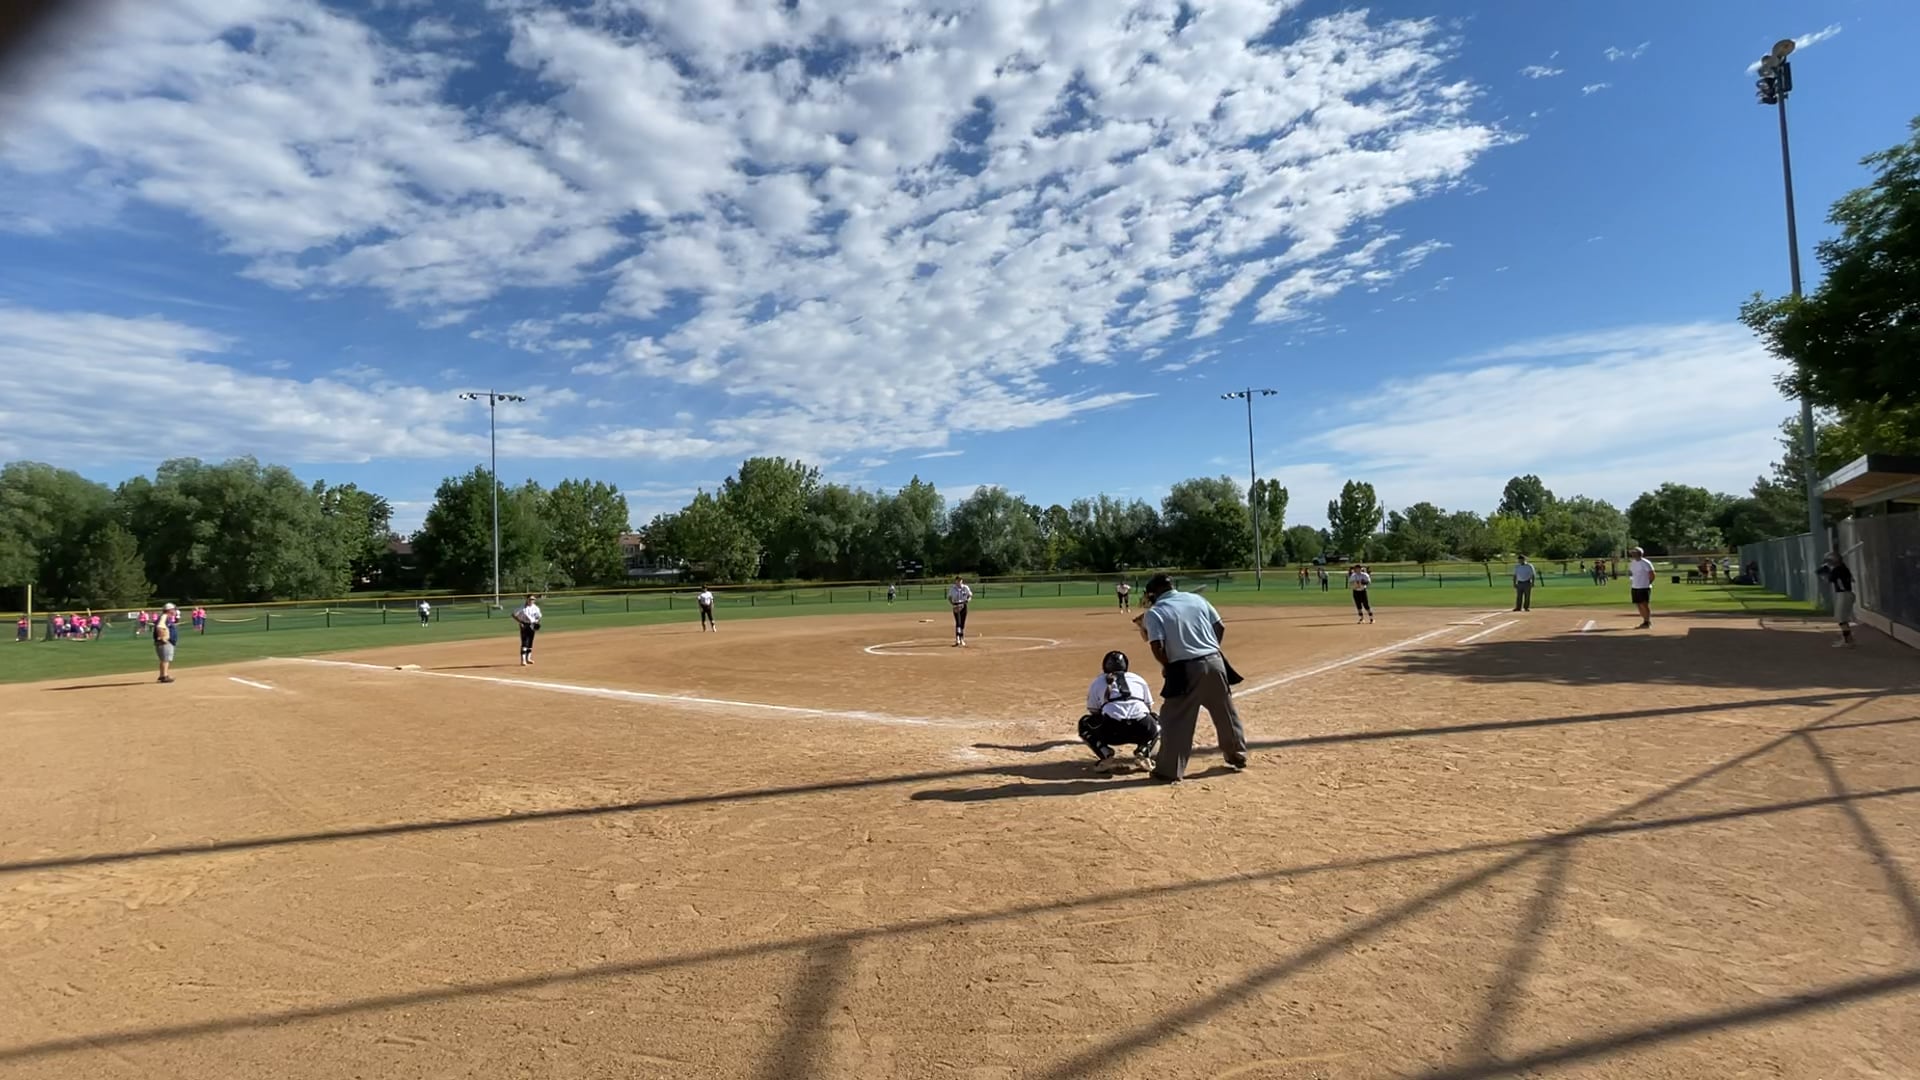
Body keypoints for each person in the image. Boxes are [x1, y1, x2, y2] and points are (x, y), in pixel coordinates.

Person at [1139, 573, 1248, 783]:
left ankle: (1169, 770)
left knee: (1175, 718)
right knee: (1225, 712)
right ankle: (1237, 753)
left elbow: (1157, 646)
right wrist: (1209, 647)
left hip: (1184, 668)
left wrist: (1168, 667)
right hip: (1216, 661)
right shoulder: (1197, 599)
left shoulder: (1155, 612)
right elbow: (1220, 626)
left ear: (1155, 593)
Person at [1079, 650, 1159, 772]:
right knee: (1157, 720)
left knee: (1085, 723)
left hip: (1113, 732)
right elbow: (1148, 707)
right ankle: (1143, 752)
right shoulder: (1138, 678)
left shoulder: (1099, 681)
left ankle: (1106, 755)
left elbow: (1093, 710)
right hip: (1141, 729)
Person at [1821, 550, 1857, 648]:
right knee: (1842, 618)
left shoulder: (1837, 570)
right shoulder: (1843, 568)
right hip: (1847, 594)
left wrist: (1824, 571)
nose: (1828, 563)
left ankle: (1848, 641)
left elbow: (1827, 580)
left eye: (1829, 561)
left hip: (1844, 594)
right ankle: (1848, 639)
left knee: (1841, 619)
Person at [1627, 547, 1656, 629]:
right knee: (1638, 604)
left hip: (1644, 586)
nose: (1632, 554)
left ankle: (1647, 622)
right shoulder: (1633, 562)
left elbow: (1652, 574)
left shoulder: (1645, 562)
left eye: (1634, 552)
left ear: (1639, 553)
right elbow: (1631, 572)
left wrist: (1648, 583)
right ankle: (1645, 620)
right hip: (1635, 586)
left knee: (1644, 604)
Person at [153, 602, 180, 683]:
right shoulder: (164, 617)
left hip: (165, 642)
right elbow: (160, 627)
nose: (175, 611)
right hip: (165, 642)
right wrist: (162, 638)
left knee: (164, 659)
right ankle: (164, 676)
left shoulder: (165, 617)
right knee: (166, 659)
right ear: (169, 610)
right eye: (174, 609)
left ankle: (163, 675)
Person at [512, 594, 542, 665]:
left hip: (532, 625)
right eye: (530, 599)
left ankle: (528, 659)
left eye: (533, 599)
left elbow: (539, 616)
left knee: (530, 641)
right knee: (525, 642)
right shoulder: (522, 607)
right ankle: (523, 660)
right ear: (527, 599)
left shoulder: (536, 608)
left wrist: (537, 622)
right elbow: (513, 614)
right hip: (525, 625)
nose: (532, 601)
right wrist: (520, 622)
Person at [947, 576, 973, 647]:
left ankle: (962, 638)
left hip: (964, 605)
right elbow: (949, 597)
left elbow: (970, 595)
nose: (959, 582)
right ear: (955, 581)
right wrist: (953, 604)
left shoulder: (965, 587)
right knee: (958, 622)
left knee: (962, 623)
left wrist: (968, 600)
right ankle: (957, 638)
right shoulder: (953, 588)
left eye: (960, 580)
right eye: (958, 580)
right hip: (956, 605)